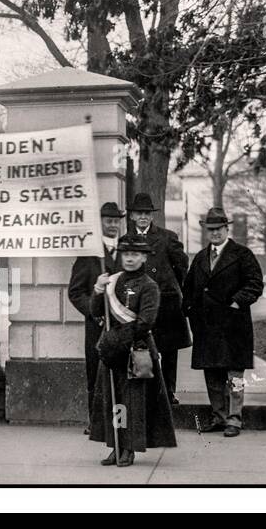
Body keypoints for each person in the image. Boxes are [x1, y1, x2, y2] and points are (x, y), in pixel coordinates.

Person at [88, 234, 178, 467]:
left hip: (135, 350)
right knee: (113, 399)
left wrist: (115, 340)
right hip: (112, 350)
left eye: (135, 254)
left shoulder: (149, 286)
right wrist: (98, 290)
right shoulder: (113, 281)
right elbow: (97, 312)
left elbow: (145, 322)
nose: (129, 259)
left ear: (144, 257)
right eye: (126, 254)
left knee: (132, 401)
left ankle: (129, 448)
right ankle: (115, 445)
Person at [184, 207, 265, 438]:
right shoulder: (200, 258)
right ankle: (219, 417)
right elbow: (189, 289)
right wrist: (190, 311)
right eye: (211, 229)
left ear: (226, 229)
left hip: (233, 326)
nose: (215, 233)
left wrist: (237, 303)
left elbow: (254, 283)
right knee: (212, 375)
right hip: (207, 327)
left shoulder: (242, 254)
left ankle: (234, 419)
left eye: (219, 229)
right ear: (206, 232)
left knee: (234, 376)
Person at [127, 192, 191, 402]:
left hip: (166, 301)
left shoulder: (167, 237)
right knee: (142, 346)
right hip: (139, 302)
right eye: (139, 213)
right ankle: (146, 391)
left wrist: (174, 289)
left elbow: (182, 266)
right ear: (132, 216)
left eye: (147, 213)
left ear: (152, 216)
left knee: (169, 350)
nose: (143, 217)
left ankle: (169, 392)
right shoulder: (126, 240)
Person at [68, 202, 125, 426]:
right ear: (100, 223)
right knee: (96, 372)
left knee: (121, 374)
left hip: (123, 325)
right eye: (108, 221)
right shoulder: (89, 254)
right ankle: (97, 422)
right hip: (97, 326)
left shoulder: (126, 250)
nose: (113, 225)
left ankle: (121, 423)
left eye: (116, 221)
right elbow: (75, 292)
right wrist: (94, 311)